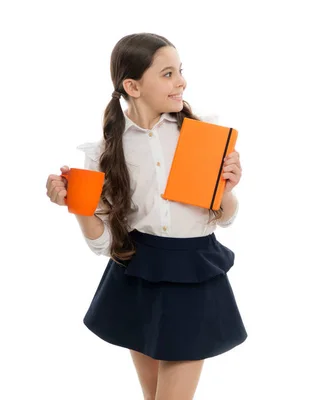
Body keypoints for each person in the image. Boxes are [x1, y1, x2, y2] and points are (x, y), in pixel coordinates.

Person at [45, 33, 247, 399]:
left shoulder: (202, 135)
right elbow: (103, 242)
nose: (181, 81)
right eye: (168, 73)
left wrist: (227, 190)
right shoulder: (108, 149)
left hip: (193, 273)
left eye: (180, 71)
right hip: (137, 275)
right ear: (132, 86)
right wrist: (78, 207)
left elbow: (224, 217)